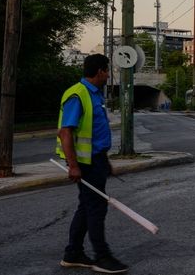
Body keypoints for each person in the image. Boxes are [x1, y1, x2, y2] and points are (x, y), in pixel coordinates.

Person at [56, 54, 129, 274]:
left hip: (95, 161)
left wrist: (104, 160)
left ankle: (73, 253)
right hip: (85, 163)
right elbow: (65, 132)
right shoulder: (78, 94)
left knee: (87, 206)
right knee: (96, 208)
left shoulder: (94, 95)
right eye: (107, 71)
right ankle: (102, 257)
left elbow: (94, 132)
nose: (108, 75)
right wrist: (73, 166)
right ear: (99, 71)